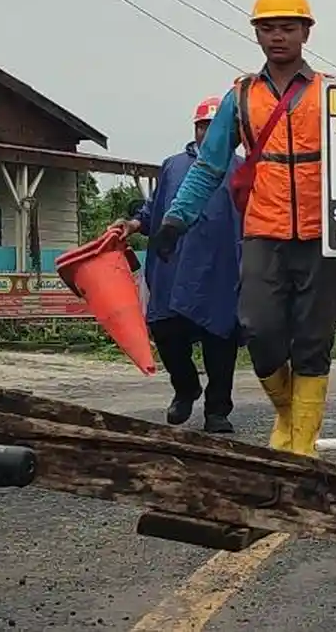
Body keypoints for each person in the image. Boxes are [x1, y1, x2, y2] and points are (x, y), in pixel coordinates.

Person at [149, 0, 336, 457]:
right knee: (259, 330)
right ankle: (287, 414)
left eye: (287, 27)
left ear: (306, 32)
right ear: (257, 34)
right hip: (263, 230)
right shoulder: (240, 97)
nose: (278, 36)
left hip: (324, 236)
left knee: (314, 339)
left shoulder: (334, 94)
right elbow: (210, 165)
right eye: (268, 28)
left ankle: (300, 444)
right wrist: (177, 219)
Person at [112, 96, 243, 434]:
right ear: (194, 128)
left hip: (221, 269)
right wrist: (132, 225)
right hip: (174, 268)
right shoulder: (172, 166)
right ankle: (185, 389)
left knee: (220, 342)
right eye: (201, 125)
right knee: (167, 331)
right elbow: (152, 209)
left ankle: (217, 410)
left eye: (214, 126)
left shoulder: (243, 167)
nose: (207, 132)